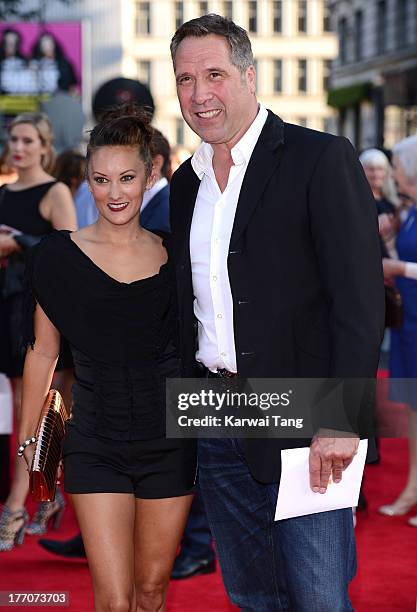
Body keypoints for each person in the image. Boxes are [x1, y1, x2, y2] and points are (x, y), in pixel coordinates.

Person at [169, 14, 384, 610]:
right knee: (251, 593)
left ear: (249, 75)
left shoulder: (319, 157)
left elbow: (359, 298)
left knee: (316, 595)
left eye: (214, 74)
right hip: (216, 413)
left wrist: (341, 419)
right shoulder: (186, 184)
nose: (199, 94)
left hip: (306, 411)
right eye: (185, 80)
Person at [18, 105, 196, 611]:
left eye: (127, 178)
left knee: (151, 591)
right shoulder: (56, 256)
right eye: (100, 179)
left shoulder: (176, 254)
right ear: (86, 181)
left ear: (151, 175)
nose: (114, 193)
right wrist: (31, 442)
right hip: (94, 441)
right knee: (115, 601)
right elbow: (42, 353)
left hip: (170, 440)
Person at [0, 112, 77, 551]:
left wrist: (21, 241)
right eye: (14, 139)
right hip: (8, 307)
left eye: (28, 139)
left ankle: (19, 502)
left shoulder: (55, 191)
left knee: (47, 412)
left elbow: (67, 254)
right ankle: (48, 497)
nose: (20, 147)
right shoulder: (4, 192)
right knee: (17, 413)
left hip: (44, 313)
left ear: (44, 146)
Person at [379, 135, 417, 525]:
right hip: (410, 322)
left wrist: (400, 269)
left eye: (398, 167)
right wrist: (390, 244)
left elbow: (407, 266)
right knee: (413, 411)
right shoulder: (410, 212)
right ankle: (412, 488)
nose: (394, 174)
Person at [41, 77, 85, 153]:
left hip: (50, 154)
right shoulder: (78, 106)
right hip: (72, 156)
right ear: (72, 87)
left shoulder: (45, 105)